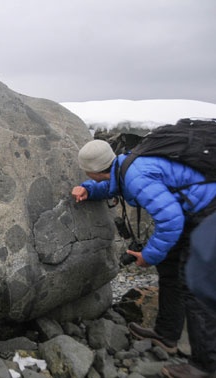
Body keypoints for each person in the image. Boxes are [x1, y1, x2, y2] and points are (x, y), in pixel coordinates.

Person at [71, 139, 216, 378]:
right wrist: (89, 189)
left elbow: (170, 221)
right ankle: (166, 335)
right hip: (193, 211)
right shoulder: (125, 164)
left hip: (207, 213)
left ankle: (204, 365)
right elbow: (113, 186)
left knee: (193, 285)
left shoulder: (136, 176)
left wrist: (149, 255)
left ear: (94, 169)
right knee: (170, 270)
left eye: (87, 173)